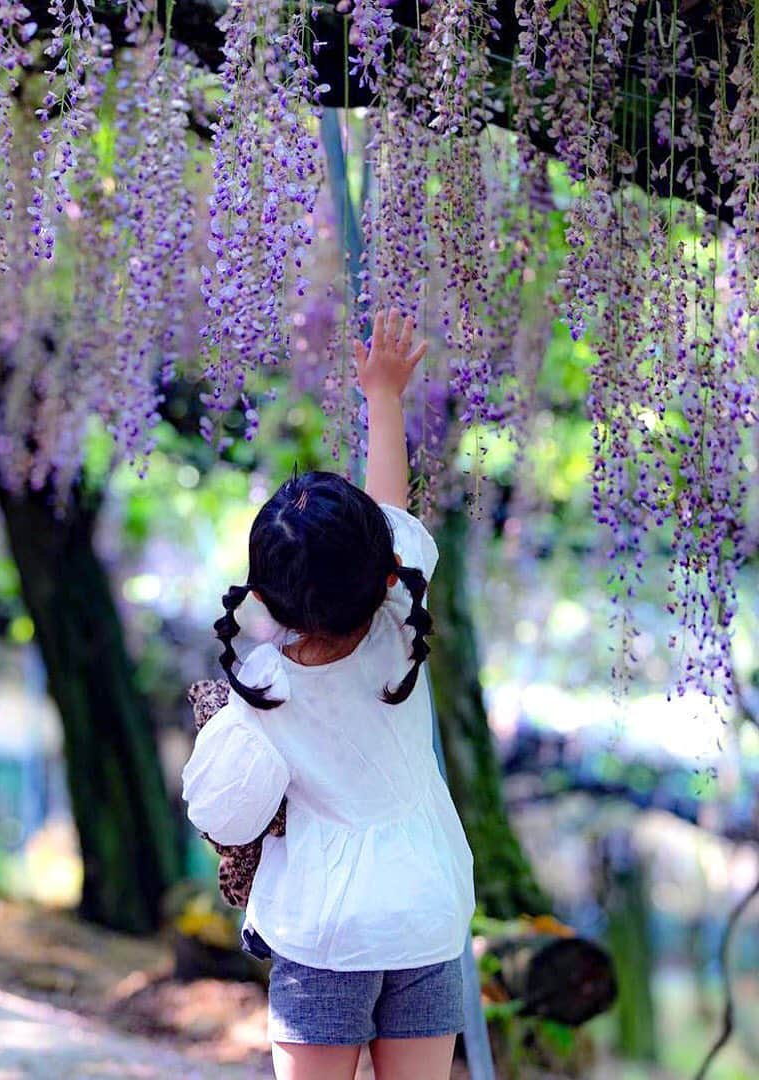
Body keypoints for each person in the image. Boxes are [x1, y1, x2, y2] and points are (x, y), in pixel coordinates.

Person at [182, 310, 476, 1080]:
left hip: (325, 926)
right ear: (383, 575)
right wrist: (383, 396)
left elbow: (224, 814)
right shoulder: (398, 628)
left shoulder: (263, 687)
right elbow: (393, 510)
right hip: (425, 907)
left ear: (269, 594)